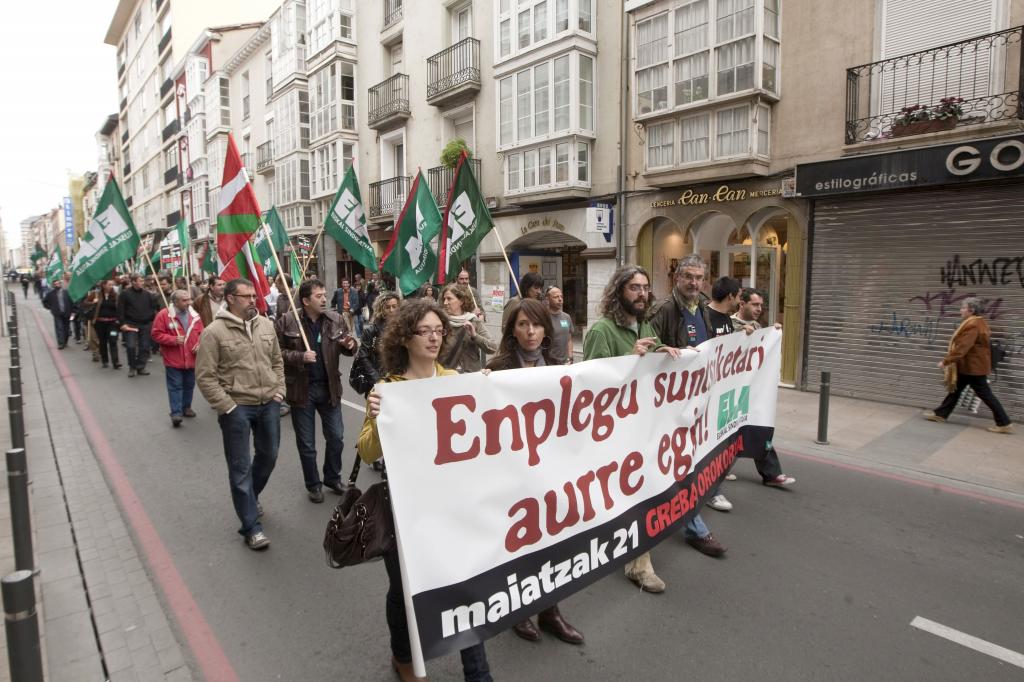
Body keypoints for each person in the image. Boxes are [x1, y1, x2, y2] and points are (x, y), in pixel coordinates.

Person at [358, 299, 493, 682]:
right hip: (406, 512)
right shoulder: (388, 389)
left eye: (440, 331)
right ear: (405, 338)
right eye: (425, 331)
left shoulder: (455, 380)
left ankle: (478, 673)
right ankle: (404, 657)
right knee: (404, 593)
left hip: (452, 507)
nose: (435, 338)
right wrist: (375, 417)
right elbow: (368, 451)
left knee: (464, 587)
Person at [584, 265, 703, 595]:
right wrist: (628, 358)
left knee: (644, 490)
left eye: (645, 287)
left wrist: (663, 352)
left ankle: (631, 553)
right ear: (618, 291)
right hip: (616, 433)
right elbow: (591, 388)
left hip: (646, 428)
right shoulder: (602, 331)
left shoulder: (647, 325)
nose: (641, 293)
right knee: (633, 494)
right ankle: (638, 565)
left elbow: (653, 371)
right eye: (634, 287)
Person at [487, 298, 584, 646]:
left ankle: (551, 611)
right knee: (518, 546)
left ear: (546, 329)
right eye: (523, 325)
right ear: (512, 330)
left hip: (551, 473)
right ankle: (518, 610)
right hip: (513, 476)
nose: (530, 332)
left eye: (537, 325)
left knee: (552, 544)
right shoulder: (495, 370)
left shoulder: (560, 368)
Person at [196, 278, 286, 550]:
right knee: (239, 467)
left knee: (268, 456)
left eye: (253, 296)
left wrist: (279, 390)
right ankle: (251, 527)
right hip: (237, 407)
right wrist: (228, 406)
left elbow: (277, 361)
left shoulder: (266, 325)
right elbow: (205, 376)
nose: (252, 300)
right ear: (231, 298)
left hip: (269, 401)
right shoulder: (214, 332)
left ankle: (249, 496)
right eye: (246, 296)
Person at [275, 279, 357, 503]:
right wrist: (299, 357)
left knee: (337, 437)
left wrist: (350, 345)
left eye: (324, 294)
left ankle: (332, 477)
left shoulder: (336, 319)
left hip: (329, 388)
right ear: (305, 300)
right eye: (318, 296)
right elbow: (275, 353)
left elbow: (349, 345)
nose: (323, 299)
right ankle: (313, 484)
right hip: (302, 391)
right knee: (307, 444)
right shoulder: (287, 321)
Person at [727, 287, 797, 489]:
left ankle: (771, 474)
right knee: (730, 431)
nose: (759, 309)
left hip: (753, 389)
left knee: (760, 427)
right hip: (734, 390)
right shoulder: (730, 325)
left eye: (761, 305)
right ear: (742, 304)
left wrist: (771, 333)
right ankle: (720, 470)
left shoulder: (757, 325)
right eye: (755, 304)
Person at [924, 297, 1013, 433]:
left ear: (971, 310)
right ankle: (941, 414)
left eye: (963, 308)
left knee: (986, 394)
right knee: (955, 390)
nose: (961, 310)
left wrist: (946, 361)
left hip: (973, 368)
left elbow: (963, 347)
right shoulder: (978, 322)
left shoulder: (973, 325)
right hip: (970, 366)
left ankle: (1004, 423)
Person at [151, 290, 204, 427]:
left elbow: (202, 333)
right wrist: (173, 339)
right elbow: (156, 334)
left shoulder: (195, 315)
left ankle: (186, 407)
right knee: (175, 386)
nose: (188, 303)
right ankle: (176, 413)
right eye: (184, 300)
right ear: (175, 302)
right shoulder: (163, 315)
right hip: (173, 359)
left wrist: (199, 344)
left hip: (192, 358)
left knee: (189, 385)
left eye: (189, 300)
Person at [439, 284, 496, 373]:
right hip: (447, 377)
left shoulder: (473, 320)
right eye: (444, 299)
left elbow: (492, 348)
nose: (445, 303)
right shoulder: (440, 322)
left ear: (461, 301)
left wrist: (475, 336)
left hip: (471, 377)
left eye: (449, 299)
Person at [117, 274, 159, 377]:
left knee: (144, 347)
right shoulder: (125, 294)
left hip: (145, 324)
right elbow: (120, 310)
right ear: (134, 282)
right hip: (131, 324)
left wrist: (151, 318)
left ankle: (141, 367)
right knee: (131, 346)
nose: (142, 282)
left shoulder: (147, 294)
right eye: (140, 280)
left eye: (142, 280)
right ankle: (132, 367)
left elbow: (154, 307)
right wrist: (122, 323)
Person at [93, 280, 121, 369]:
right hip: (100, 323)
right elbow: (85, 304)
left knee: (113, 341)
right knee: (103, 342)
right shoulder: (96, 294)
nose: (111, 286)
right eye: (109, 285)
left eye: (112, 285)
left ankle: (115, 362)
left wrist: (119, 320)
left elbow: (120, 308)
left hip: (112, 323)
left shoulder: (116, 296)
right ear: (104, 285)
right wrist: (93, 302)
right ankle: (105, 361)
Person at [545, 286, 574, 364]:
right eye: (556, 297)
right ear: (547, 299)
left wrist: (570, 357)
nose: (560, 299)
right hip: (549, 363)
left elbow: (569, 339)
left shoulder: (567, 317)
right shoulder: (543, 317)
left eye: (561, 296)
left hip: (565, 363)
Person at [43, 277, 73, 349]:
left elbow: (72, 302)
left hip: (66, 313)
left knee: (66, 328)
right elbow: (45, 302)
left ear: (60, 284)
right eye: (55, 284)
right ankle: (60, 343)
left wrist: (73, 311)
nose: (57, 285)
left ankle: (65, 342)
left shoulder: (66, 292)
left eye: (58, 283)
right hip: (57, 313)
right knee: (59, 328)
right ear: (53, 285)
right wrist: (50, 308)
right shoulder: (50, 294)